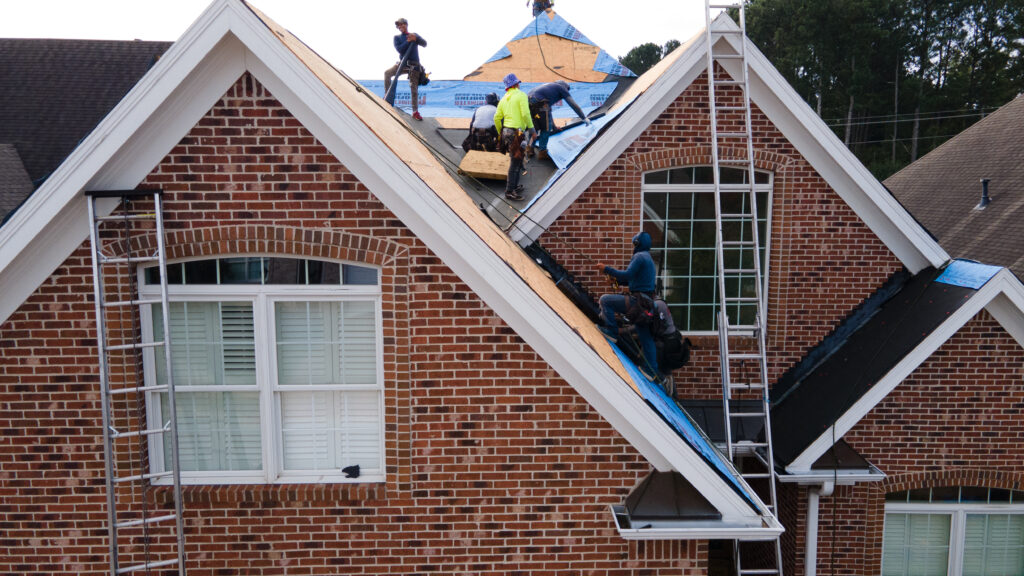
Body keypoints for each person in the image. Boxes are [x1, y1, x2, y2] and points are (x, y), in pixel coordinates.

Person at [598, 231, 659, 376]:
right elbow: (630, 280)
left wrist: (606, 269)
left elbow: (627, 275)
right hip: (646, 304)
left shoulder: (639, 257)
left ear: (637, 244)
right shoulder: (648, 258)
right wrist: (616, 281)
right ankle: (651, 371)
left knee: (605, 300)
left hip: (637, 302)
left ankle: (612, 331)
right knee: (645, 337)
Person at [493, 74, 535, 201]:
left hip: (506, 131)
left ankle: (514, 186)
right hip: (517, 133)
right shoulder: (521, 95)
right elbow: (526, 114)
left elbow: (496, 118)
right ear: (516, 84)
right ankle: (510, 191)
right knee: (515, 162)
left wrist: (501, 132)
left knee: (517, 159)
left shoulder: (504, 98)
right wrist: (532, 129)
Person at [527, 80, 591, 152]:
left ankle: (529, 148)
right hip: (539, 102)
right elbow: (573, 105)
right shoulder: (561, 88)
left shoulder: (549, 88)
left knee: (535, 127)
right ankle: (542, 151)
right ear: (565, 87)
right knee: (546, 128)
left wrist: (554, 128)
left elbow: (548, 114)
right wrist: (584, 118)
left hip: (529, 102)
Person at [384, 18, 427, 121]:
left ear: (406, 25)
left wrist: (416, 38)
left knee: (413, 87)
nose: (400, 27)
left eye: (402, 25)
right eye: (398, 26)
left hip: (414, 65)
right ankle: (387, 98)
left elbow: (424, 44)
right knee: (387, 73)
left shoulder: (414, 35)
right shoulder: (397, 38)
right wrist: (408, 41)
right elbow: (400, 49)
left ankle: (415, 111)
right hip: (402, 64)